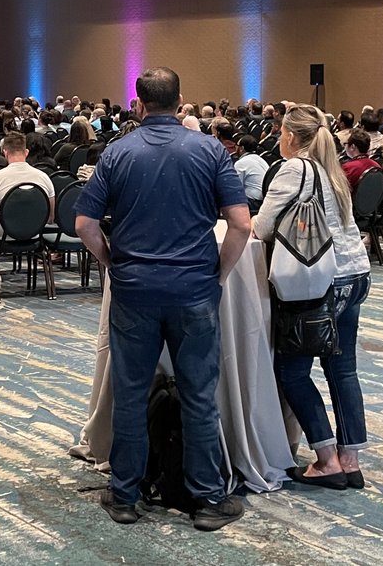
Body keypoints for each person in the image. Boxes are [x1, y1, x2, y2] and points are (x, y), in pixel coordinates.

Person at [74, 67, 250, 532]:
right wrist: (219, 273)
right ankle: (208, 498)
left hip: (134, 290)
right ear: (180, 101)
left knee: (131, 395)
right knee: (199, 395)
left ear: (138, 103)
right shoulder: (210, 149)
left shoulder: (117, 152)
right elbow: (242, 224)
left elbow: (84, 225)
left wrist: (112, 262)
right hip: (193, 290)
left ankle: (126, 495)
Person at [252, 104, 371, 492]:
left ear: (289, 135)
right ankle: (350, 459)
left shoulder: (294, 169)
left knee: (293, 373)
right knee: (343, 369)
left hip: (319, 282)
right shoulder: (332, 169)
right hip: (355, 275)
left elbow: (264, 226)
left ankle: (325, 459)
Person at [0, 132, 56, 240]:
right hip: (34, 235)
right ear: (26, 152)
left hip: (2, 237)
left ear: (5, 153)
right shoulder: (44, 177)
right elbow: (50, 218)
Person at [233, 134, 268, 213]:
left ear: (241, 148)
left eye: (237, 145)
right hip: (265, 201)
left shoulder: (241, 163)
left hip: (252, 202)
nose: (235, 148)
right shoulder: (261, 160)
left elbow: (236, 188)